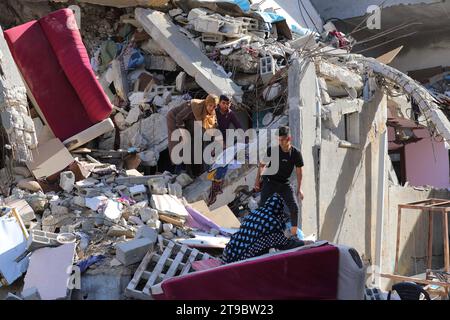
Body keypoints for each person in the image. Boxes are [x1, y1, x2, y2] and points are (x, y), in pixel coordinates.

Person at [222, 193, 308, 263]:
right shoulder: (272, 222)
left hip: (228, 253)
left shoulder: (257, 212)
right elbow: (284, 244)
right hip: (238, 261)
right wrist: (304, 243)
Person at [254, 126, 304, 237]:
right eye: (279, 140)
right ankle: (258, 232)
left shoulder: (296, 153)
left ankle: (294, 234)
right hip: (270, 181)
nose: (280, 142)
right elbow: (262, 165)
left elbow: (299, 172)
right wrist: (257, 181)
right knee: (263, 207)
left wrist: (299, 188)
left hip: (284, 183)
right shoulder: (272, 151)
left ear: (289, 139)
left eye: (282, 140)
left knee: (294, 208)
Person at [166, 94, 219, 177]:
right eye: (210, 105)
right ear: (206, 103)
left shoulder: (212, 113)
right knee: (179, 143)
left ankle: (191, 172)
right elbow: (179, 118)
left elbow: (213, 128)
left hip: (188, 121)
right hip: (175, 118)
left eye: (215, 106)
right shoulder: (195, 107)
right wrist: (183, 133)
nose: (212, 108)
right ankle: (178, 171)